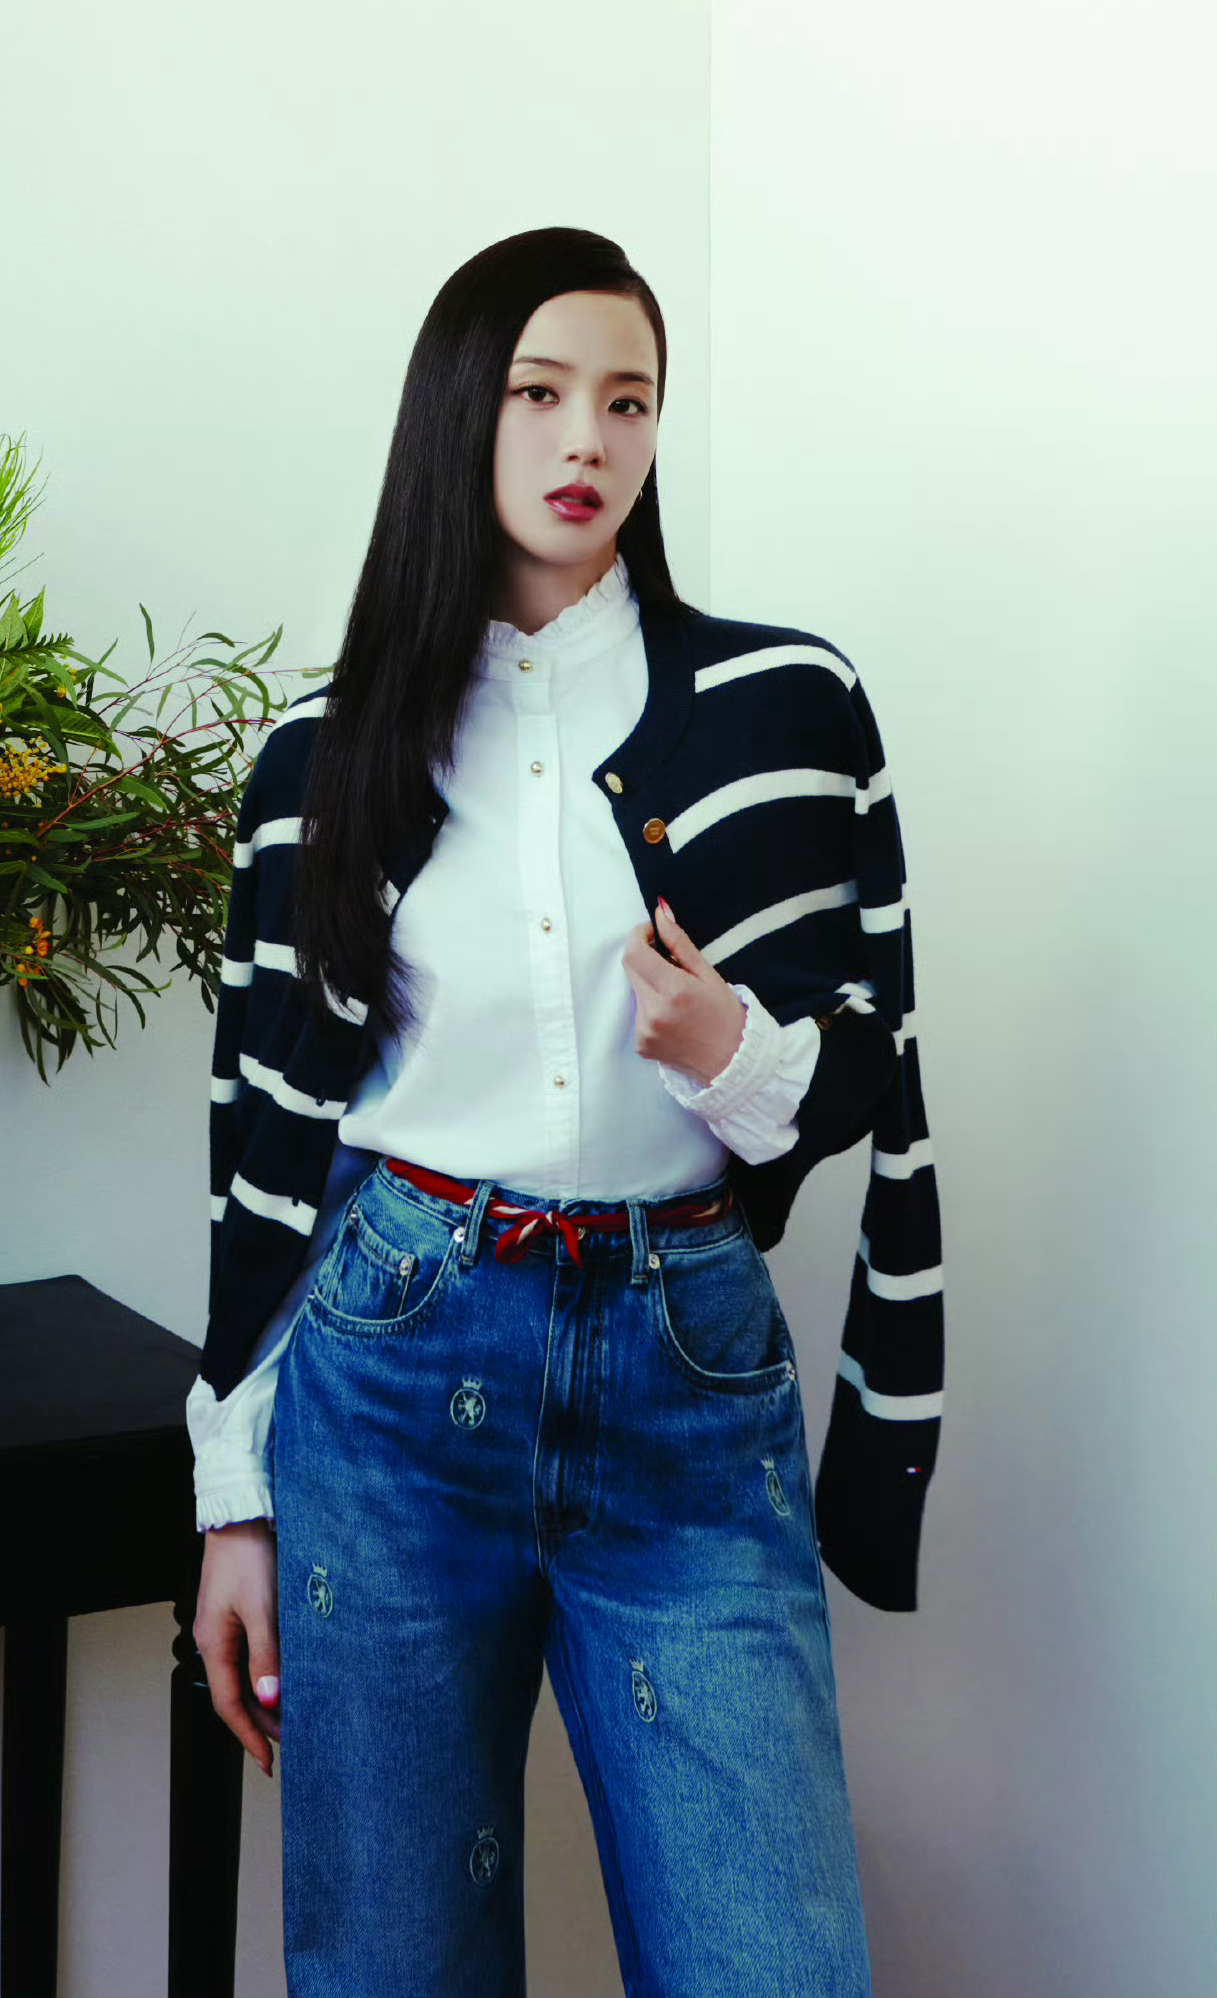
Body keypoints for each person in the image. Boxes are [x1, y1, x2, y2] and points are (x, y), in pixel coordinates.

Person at [187, 228, 942, 1998]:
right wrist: (232, 1499)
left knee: (774, 1964)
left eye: (628, 401)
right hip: (389, 1374)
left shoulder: (787, 706)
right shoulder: (320, 749)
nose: (586, 439)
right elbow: (262, 1142)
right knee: (393, 1967)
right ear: (460, 411)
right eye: (539, 394)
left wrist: (736, 1051)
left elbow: (872, 1063)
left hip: (687, 1378)